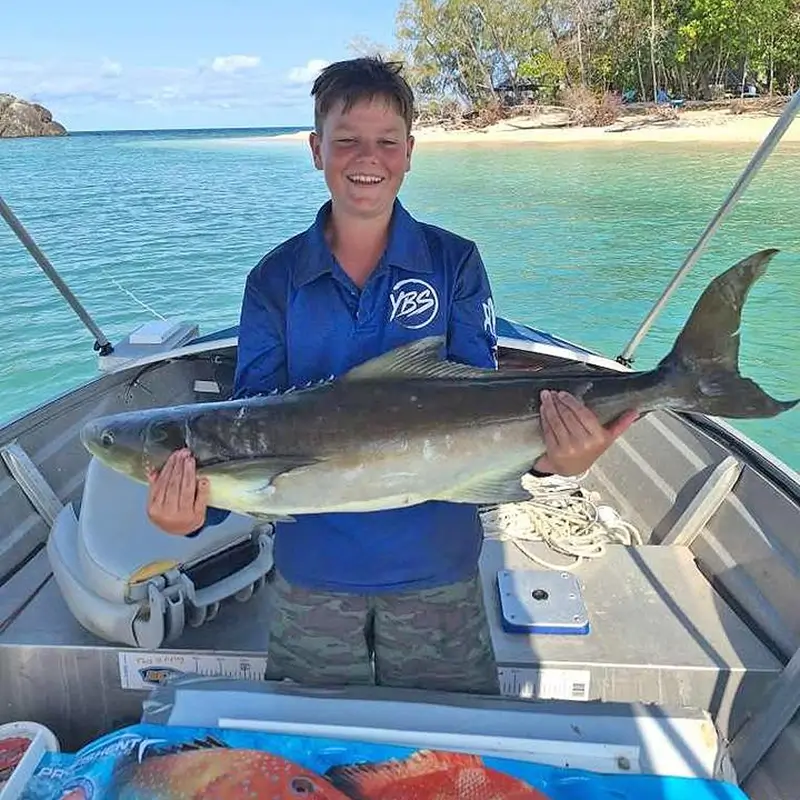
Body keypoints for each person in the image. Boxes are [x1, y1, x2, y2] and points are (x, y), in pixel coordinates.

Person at [146, 57, 638, 694]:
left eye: (385, 142)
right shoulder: (274, 280)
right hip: (314, 573)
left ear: (409, 152)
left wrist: (553, 462)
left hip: (438, 568)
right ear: (316, 148)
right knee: (317, 757)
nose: (365, 157)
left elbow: (481, 400)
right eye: (346, 140)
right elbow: (248, 427)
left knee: (449, 755)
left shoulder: (454, 262)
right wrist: (189, 517)